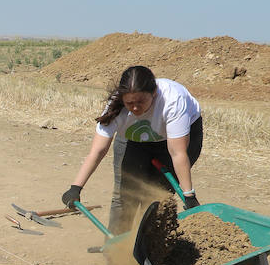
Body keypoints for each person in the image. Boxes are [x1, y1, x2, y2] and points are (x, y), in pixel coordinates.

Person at [62, 66, 204, 234]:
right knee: (125, 195)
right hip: (134, 139)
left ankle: (148, 250)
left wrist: (189, 195)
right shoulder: (116, 108)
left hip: (174, 141)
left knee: (156, 197)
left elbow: (177, 153)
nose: (135, 108)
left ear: (154, 93)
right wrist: (76, 187)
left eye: (140, 102)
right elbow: (98, 151)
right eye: (130, 103)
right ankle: (117, 251)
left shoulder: (173, 100)